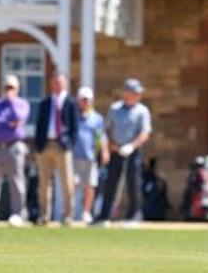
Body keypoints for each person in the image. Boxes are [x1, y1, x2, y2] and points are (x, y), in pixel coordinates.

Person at [92, 78, 152, 227]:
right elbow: (106, 130)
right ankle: (104, 215)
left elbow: (145, 133)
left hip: (133, 151)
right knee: (111, 182)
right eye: (134, 92)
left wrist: (131, 146)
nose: (137, 95)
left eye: (138, 93)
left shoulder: (142, 111)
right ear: (126, 93)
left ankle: (134, 215)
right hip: (115, 150)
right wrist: (110, 146)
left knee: (133, 182)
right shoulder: (115, 109)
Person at [0, 74, 31, 227]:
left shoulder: (22, 104)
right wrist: (6, 122)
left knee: (16, 182)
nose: (8, 90)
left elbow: (18, 118)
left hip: (14, 146)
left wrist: (11, 104)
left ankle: (17, 213)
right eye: (6, 87)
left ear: (17, 89)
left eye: (11, 88)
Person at [34, 69, 79, 225]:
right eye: (54, 82)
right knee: (44, 183)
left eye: (60, 82)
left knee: (66, 182)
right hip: (45, 145)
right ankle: (44, 215)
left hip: (62, 146)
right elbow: (39, 125)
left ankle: (68, 215)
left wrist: (69, 144)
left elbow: (75, 127)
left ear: (65, 83)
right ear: (51, 84)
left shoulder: (71, 103)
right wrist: (38, 146)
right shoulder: (45, 103)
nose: (57, 85)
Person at [73, 86, 109, 223]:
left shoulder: (97, 118)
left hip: (90, 156)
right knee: (73, 184)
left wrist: (104, 151)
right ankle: (71, 211)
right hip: (74, 156)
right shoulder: (73, 115)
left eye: (87, 100)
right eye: (83, 100)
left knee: (90, 185)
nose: (85, 102)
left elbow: (101, 136)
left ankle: (86, 212)